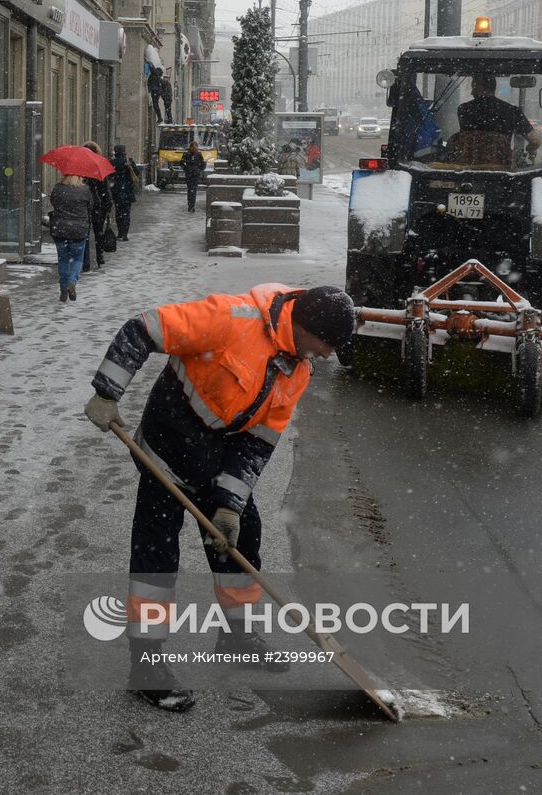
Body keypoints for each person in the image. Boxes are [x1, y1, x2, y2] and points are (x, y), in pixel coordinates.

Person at [82, 285, 357, 712]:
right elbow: (143, 329)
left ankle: (237, 635)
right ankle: (147, 664)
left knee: (241, 541)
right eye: (327, 345)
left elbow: (259, 442)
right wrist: (107, 392)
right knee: (157, 556)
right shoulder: (232, 318)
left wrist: (231, 503)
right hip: (166, 449)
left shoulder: (297, 370)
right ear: (306, 327)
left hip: (218, 460)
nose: (328, 355)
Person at [454, 73, 542, 161]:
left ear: (484, 88)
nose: (471, 92)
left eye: (474, 88)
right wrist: (530, 149)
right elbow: (535, 141)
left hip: (468, 169)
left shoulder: (464, 109)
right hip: (502, 170)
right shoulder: (512, 111)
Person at [49, 174, 92, 302]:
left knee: (63, 259)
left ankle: (63, 290)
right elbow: (91, 207)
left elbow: (53, 202)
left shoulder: (58, 188)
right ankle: (72, 282)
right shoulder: (85, 190)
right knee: (78, 259)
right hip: (79, 230)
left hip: (60, 229)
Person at [81, 141, 114, 273]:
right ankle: (99, 257)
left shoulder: (79, 167)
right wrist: (108, 205)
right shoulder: (99, 167)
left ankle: (85, 262)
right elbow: (105, 189)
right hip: (97, 205)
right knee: (98, 232)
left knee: (85, 234)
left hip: (83, 204)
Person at [110, 144, 140, 242]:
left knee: (118, 214)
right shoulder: (129, 161)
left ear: (115, 152)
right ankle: (125, 234)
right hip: (128, 191)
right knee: (126, 214)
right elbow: (137, 172)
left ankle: (120, 233)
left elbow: (110, 175)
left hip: (117, 192)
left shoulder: (113, 162)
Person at [181, 140, 206, 213]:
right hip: (189, 175)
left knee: (193, 190)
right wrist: (186, 169)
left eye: (196, 148)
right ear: (191, 147)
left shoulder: (198, 154)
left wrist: (199, 170)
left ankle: (192, 205)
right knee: (190, 190)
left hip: (195, 175)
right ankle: (190, 205)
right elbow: (182, 162)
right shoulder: (186, 154)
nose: (194, 149)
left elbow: (203, 164)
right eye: (193, 148)